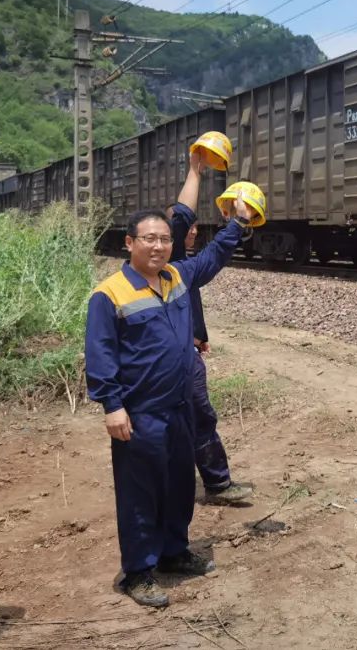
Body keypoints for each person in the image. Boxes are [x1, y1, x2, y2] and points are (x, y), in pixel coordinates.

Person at [84, 196, 255, 608]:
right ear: (130, 243)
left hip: (179, 408)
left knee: (179, 485)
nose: (158, 246)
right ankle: (139, 572)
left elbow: (212, 258)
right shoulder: (109, 295)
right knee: (141, 493)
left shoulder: (177, 277)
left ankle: (174, 553)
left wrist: (238, 225)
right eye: (149, 239)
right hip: (140, 414)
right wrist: (112, 406)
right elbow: (100, 353)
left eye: (164, 239)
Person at [167, 151, 254, 504]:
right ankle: (209, 486)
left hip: (185, 355)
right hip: (174, 365)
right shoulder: (171, 268)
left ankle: (210, 484)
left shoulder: (177, 269)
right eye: (186, 229)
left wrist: (198, 335)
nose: (193, 231)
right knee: (195, 420)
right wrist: (236, 222)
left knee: (196, 419)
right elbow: (214, 252)